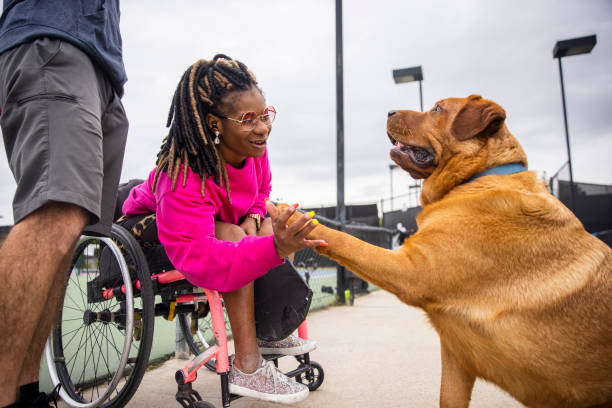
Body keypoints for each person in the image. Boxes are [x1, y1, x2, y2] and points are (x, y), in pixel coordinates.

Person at [122, 55, 327, 404]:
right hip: (151, 227)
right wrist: (272, 247)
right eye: (248, 119)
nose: (262, 127)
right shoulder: (182, 176)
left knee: (266, 228)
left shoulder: (252, 148)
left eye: (265, 115)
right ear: (215, 124)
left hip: (216, 221)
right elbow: (201, 255)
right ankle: (247, 367)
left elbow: (261, 192)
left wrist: (254, 219)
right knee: (236, 238)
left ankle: (271, 332)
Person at [0, 1, 128, 407]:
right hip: (55, 38)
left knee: (68, 232)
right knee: (56, 211)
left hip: (102, 65)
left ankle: (23, 394)